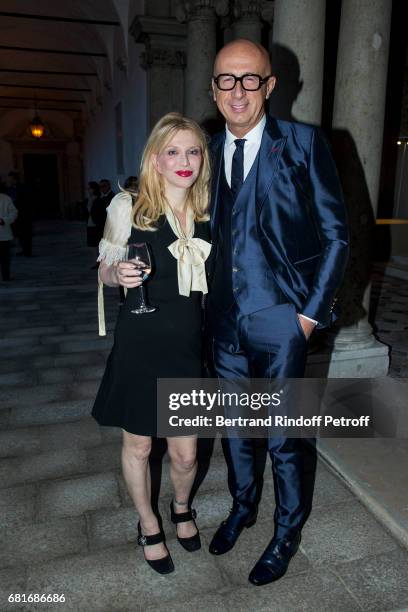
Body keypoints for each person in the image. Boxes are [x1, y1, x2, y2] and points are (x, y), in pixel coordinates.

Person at [206, 39, 349, 586]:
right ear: (214, 89)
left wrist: (308, 315)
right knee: (237, 431)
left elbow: (337, 234)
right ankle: (243, 508)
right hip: (222, 322)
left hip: (282, 318)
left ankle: (286, 529)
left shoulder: (304, 143)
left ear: (269, 86)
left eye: (250, 79)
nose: (238, 90)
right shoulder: (202, 149)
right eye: (227, 79)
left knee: (286, 435)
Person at [92, 112, 211, 575]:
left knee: (186, 453)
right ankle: (148, 523)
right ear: (156, 159)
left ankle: (182, 507)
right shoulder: (130, 207)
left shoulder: (208, 211)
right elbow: (103, 267)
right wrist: (114, 273)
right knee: (140, 446)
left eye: (193, 151)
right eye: (173, 151)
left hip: (187, 344)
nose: (184, 161)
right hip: (140, 342)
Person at [7, 171, 32, 257]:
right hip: (15, 214)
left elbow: (25, 201)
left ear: (14, 179)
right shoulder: (11, 188)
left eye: (10, 178)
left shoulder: (23, 188)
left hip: (23, 214)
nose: (8, 180)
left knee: (25, 233)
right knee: (20, 233)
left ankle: (28, 251)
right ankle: (24, 250)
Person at [0, 182, 18, 282]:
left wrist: (4, 220)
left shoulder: (5, 198)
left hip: (4, 234)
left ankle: (6, 276)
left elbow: (14, 212)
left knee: (5, 258)